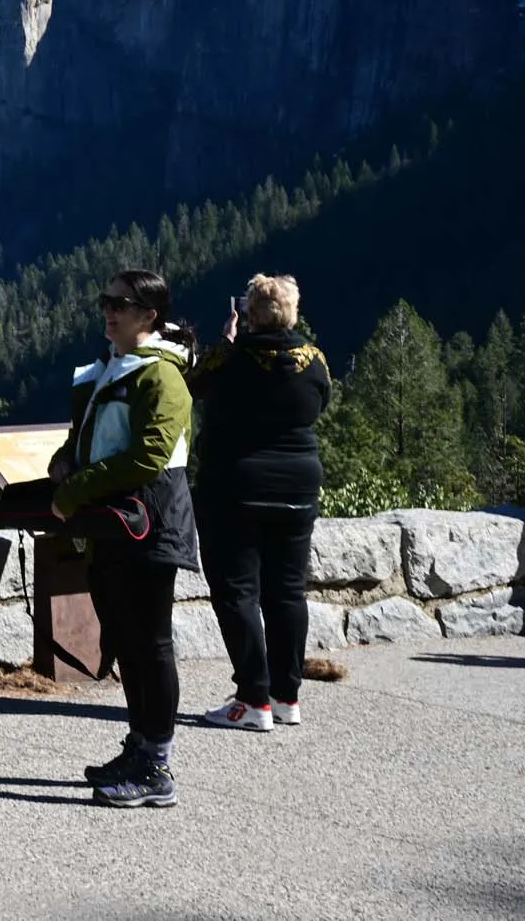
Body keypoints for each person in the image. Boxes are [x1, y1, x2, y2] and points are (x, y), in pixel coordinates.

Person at [50, 268, 199, 809]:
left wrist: (74, 492)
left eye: (121, 303)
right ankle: (138, 747)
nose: (108, 310)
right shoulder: (115, 368)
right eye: (104, 300)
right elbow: (92, 441)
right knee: (127, 643)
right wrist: (65, 461)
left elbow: (148, 456)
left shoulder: (162, 377)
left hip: (151, 522)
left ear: (149, 315)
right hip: (114, 524)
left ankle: (156, 765)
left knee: (150, 644)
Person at [189, 273, 332, 730]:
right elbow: (322, 401)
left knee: (237, 593)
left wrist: (226, 342)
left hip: (237, 486)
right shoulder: (314, 360)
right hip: (299, 486)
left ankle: (253, 699)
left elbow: (193, 383)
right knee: (287, 591)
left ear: (249, 314)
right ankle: (286, 695)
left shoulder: (233, 359)